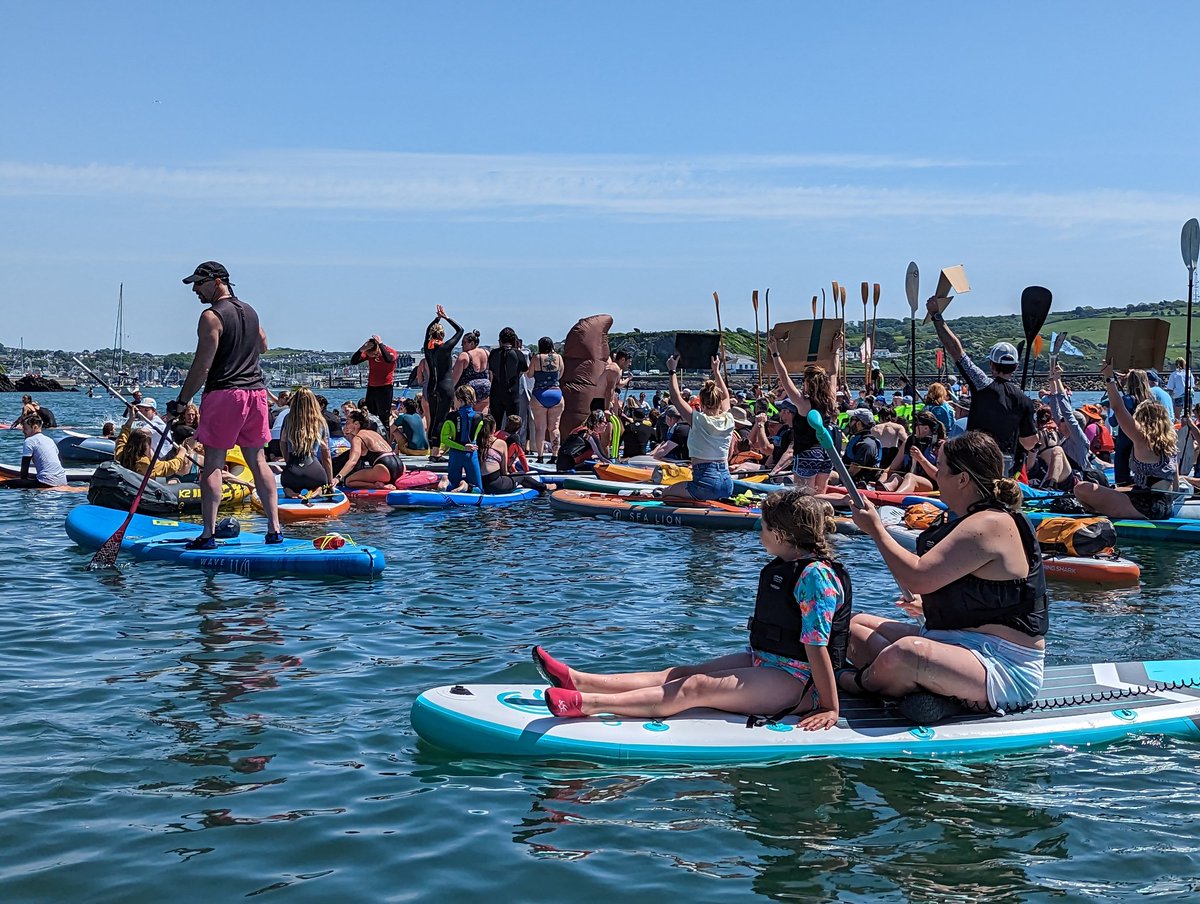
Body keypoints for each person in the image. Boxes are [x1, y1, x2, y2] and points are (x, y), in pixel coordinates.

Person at [532, 491, 849, 728]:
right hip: (769, 662)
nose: (760, 534)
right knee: (683, 673)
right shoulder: (789, 567)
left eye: (763, 527)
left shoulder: (814, 577)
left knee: (696, 687)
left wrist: (830, 707)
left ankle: (588, 704)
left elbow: (816, 645)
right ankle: (579, 680)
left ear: (780, 535)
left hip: (801, 682)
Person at [841, 431, 1048, 724]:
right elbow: (976, 595)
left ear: (962, 479)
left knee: (905, 654)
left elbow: (918, 578)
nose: (935, 475)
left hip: (1001, 665)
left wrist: (876, 530)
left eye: (940, 467)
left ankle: (856, 683)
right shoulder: (969, 520)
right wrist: (931, 608)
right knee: (852, 627)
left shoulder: (989, 524)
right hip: (951, 643)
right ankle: (923, 691)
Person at [172, 260, 281, 548]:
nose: (195, 289)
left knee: (214, 464)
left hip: (225, 394)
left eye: (199, 282)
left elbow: (202, 366)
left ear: (218, 280)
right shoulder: (250, 311)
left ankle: (207, 535)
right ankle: (274, 529)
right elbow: (263, 345)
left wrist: (182, 402)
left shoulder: (211, 316)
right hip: (256, 394)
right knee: (258, 461)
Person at [928, 297, 1038, 475]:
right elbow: (1030, 442)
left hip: (975, 458)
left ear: (991, 366)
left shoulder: (982, 384)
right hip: (1005, 464)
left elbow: (956, 351)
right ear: (1016, 367)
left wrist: (936, 317)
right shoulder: (1024, 400)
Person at [1074, 362, 1184, 520]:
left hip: (1146, 507)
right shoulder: (1170, 445)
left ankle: (1099, 512)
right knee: (1118, 490)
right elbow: (1176, 485)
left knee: (1080, 488)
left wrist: (1109, 378)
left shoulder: (1142, 439)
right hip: (1165, 505)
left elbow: (1118, 409)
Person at [767, 331, 841, 493]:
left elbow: (784, 377)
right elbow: (834, 372)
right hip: (826, 453)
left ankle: (844, 501)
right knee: (820, 495)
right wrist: (835, 350)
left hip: (807, 454)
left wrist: (775, 351)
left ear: (809, 384)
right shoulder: (830, 400)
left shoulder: (803, 403)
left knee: (804, 497)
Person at [660, 355, 735, 503]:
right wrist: (716, 371)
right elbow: (726, 396)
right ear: (719, 403)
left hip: (705, 481)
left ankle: (698, 506)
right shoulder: (729, 418)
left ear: (701, 403)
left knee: (666, 494)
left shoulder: (699, 420)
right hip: (727, 483)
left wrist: (672, 371)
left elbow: (675, 398)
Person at [423, 305, 464, 460]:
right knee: (441, 419)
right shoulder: (446, 347)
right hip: (445, 386)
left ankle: (431, 450)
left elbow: (427, 332)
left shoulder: (427, 348)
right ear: (443, 335)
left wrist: (436, 319)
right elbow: (460, 330)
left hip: (431, 386)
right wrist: (446, 317)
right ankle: (435, 451)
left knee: (433, 418)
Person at [278, 387, 335, 495]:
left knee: (288, 485)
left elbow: (282, 442)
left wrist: (288, 461)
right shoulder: (320, 421)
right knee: (320, 485)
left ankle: (289, 491)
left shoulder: (287, 419)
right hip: (314, 472)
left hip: (291, 472)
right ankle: (318, 490)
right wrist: (330, 482)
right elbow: (326, 454)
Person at [332, 410, 405, 488]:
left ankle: (377, 485)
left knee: (348, 481)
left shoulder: (358, 438)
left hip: (384, 468)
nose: (345, 425)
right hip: (400, 466)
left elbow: (353, 461)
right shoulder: (374, 433)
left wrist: (338, 477)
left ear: (356, 424)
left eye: (347, 423)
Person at [115, 406, 193, 479]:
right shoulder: (145, 463)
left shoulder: (120, 454)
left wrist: (131, 419)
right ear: (145, 447)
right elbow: (169, 467)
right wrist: (181, 453)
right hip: (143, 489)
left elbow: (122, 438)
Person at [878, 411, 945, 495]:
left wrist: (921, 459)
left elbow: (939, 476)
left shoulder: (940, 446)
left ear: (926, 428)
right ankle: (881, 491)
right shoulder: (909, 441)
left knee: (910, 477)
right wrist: (880, 481)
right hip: (907, 478)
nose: (913, 427)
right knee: (895, 476)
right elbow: (891, 468)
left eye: (916, 425)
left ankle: (895, 497)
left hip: (930, 484)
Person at [1111, 369, 1151, 486]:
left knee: (1122, 474)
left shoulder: (1126, 400)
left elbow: (1113, 422)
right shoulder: (1151, 400)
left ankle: (1123, 488)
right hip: (1144, 439)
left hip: (1125, 440)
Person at [527, 336, 564, 462]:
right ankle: (555, 455)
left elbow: (529, 374)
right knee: (554, 428)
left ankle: (540, 456)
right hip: (556, 394)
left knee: (540, 428)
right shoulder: (559, 358)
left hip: (539, 394)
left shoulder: (537, 358)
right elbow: (561, 374)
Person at [441, 385, 484, 492]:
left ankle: (445, 481)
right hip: (471, 454)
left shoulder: (451, 417)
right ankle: (465, 487)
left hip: (455, 454)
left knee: (452, 485)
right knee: (478, 489)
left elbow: (444, 439)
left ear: (459, 400)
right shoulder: (479, 417)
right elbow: (475, 438)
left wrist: (461, 447)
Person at [350, 334, 398, 430]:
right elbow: (353, 361)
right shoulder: (369, 353)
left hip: (385, 387)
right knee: (370, 414)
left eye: (374, 354)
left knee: (383, 415)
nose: (373, 356)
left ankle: (385, 437)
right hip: (372, 387)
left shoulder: (389, 352)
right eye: (370, 355)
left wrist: (380, 343)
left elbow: (389, 359)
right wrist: (362, 349)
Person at [487, 327, 529, 429]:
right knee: (513, 425)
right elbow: (525, 370)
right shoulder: (518, 354)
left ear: (500, 340)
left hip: (496, 392)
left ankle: (495, 443)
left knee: (495, 425)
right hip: (512, 393)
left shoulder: (493, 353)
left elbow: (491, 372)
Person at [14, 416, 68, 487]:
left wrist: (23, 483)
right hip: (63, 481)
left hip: (46, 483)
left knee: (4, 484)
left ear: (34, 427)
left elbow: (25, 466)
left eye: (25, 428)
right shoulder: (49, 440)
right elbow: (59, 461)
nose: (23, 431)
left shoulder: (29, 441)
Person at [451, 329, 492, 414]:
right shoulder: (487, 353)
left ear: (472, 343)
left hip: (469, 390)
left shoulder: (464, 356)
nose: (462, 345)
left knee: (469, 417)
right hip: (486, 387)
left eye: (464, 342)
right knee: (483, 416)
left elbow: (454, 379)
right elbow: (491, 373)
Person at [842, 409, 883, 486]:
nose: (850, 423)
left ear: (859, 424)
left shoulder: (866, 444)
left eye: (852, 420)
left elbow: (854, 470)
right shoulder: (858, 439)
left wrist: (839, 479)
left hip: (856, 482)